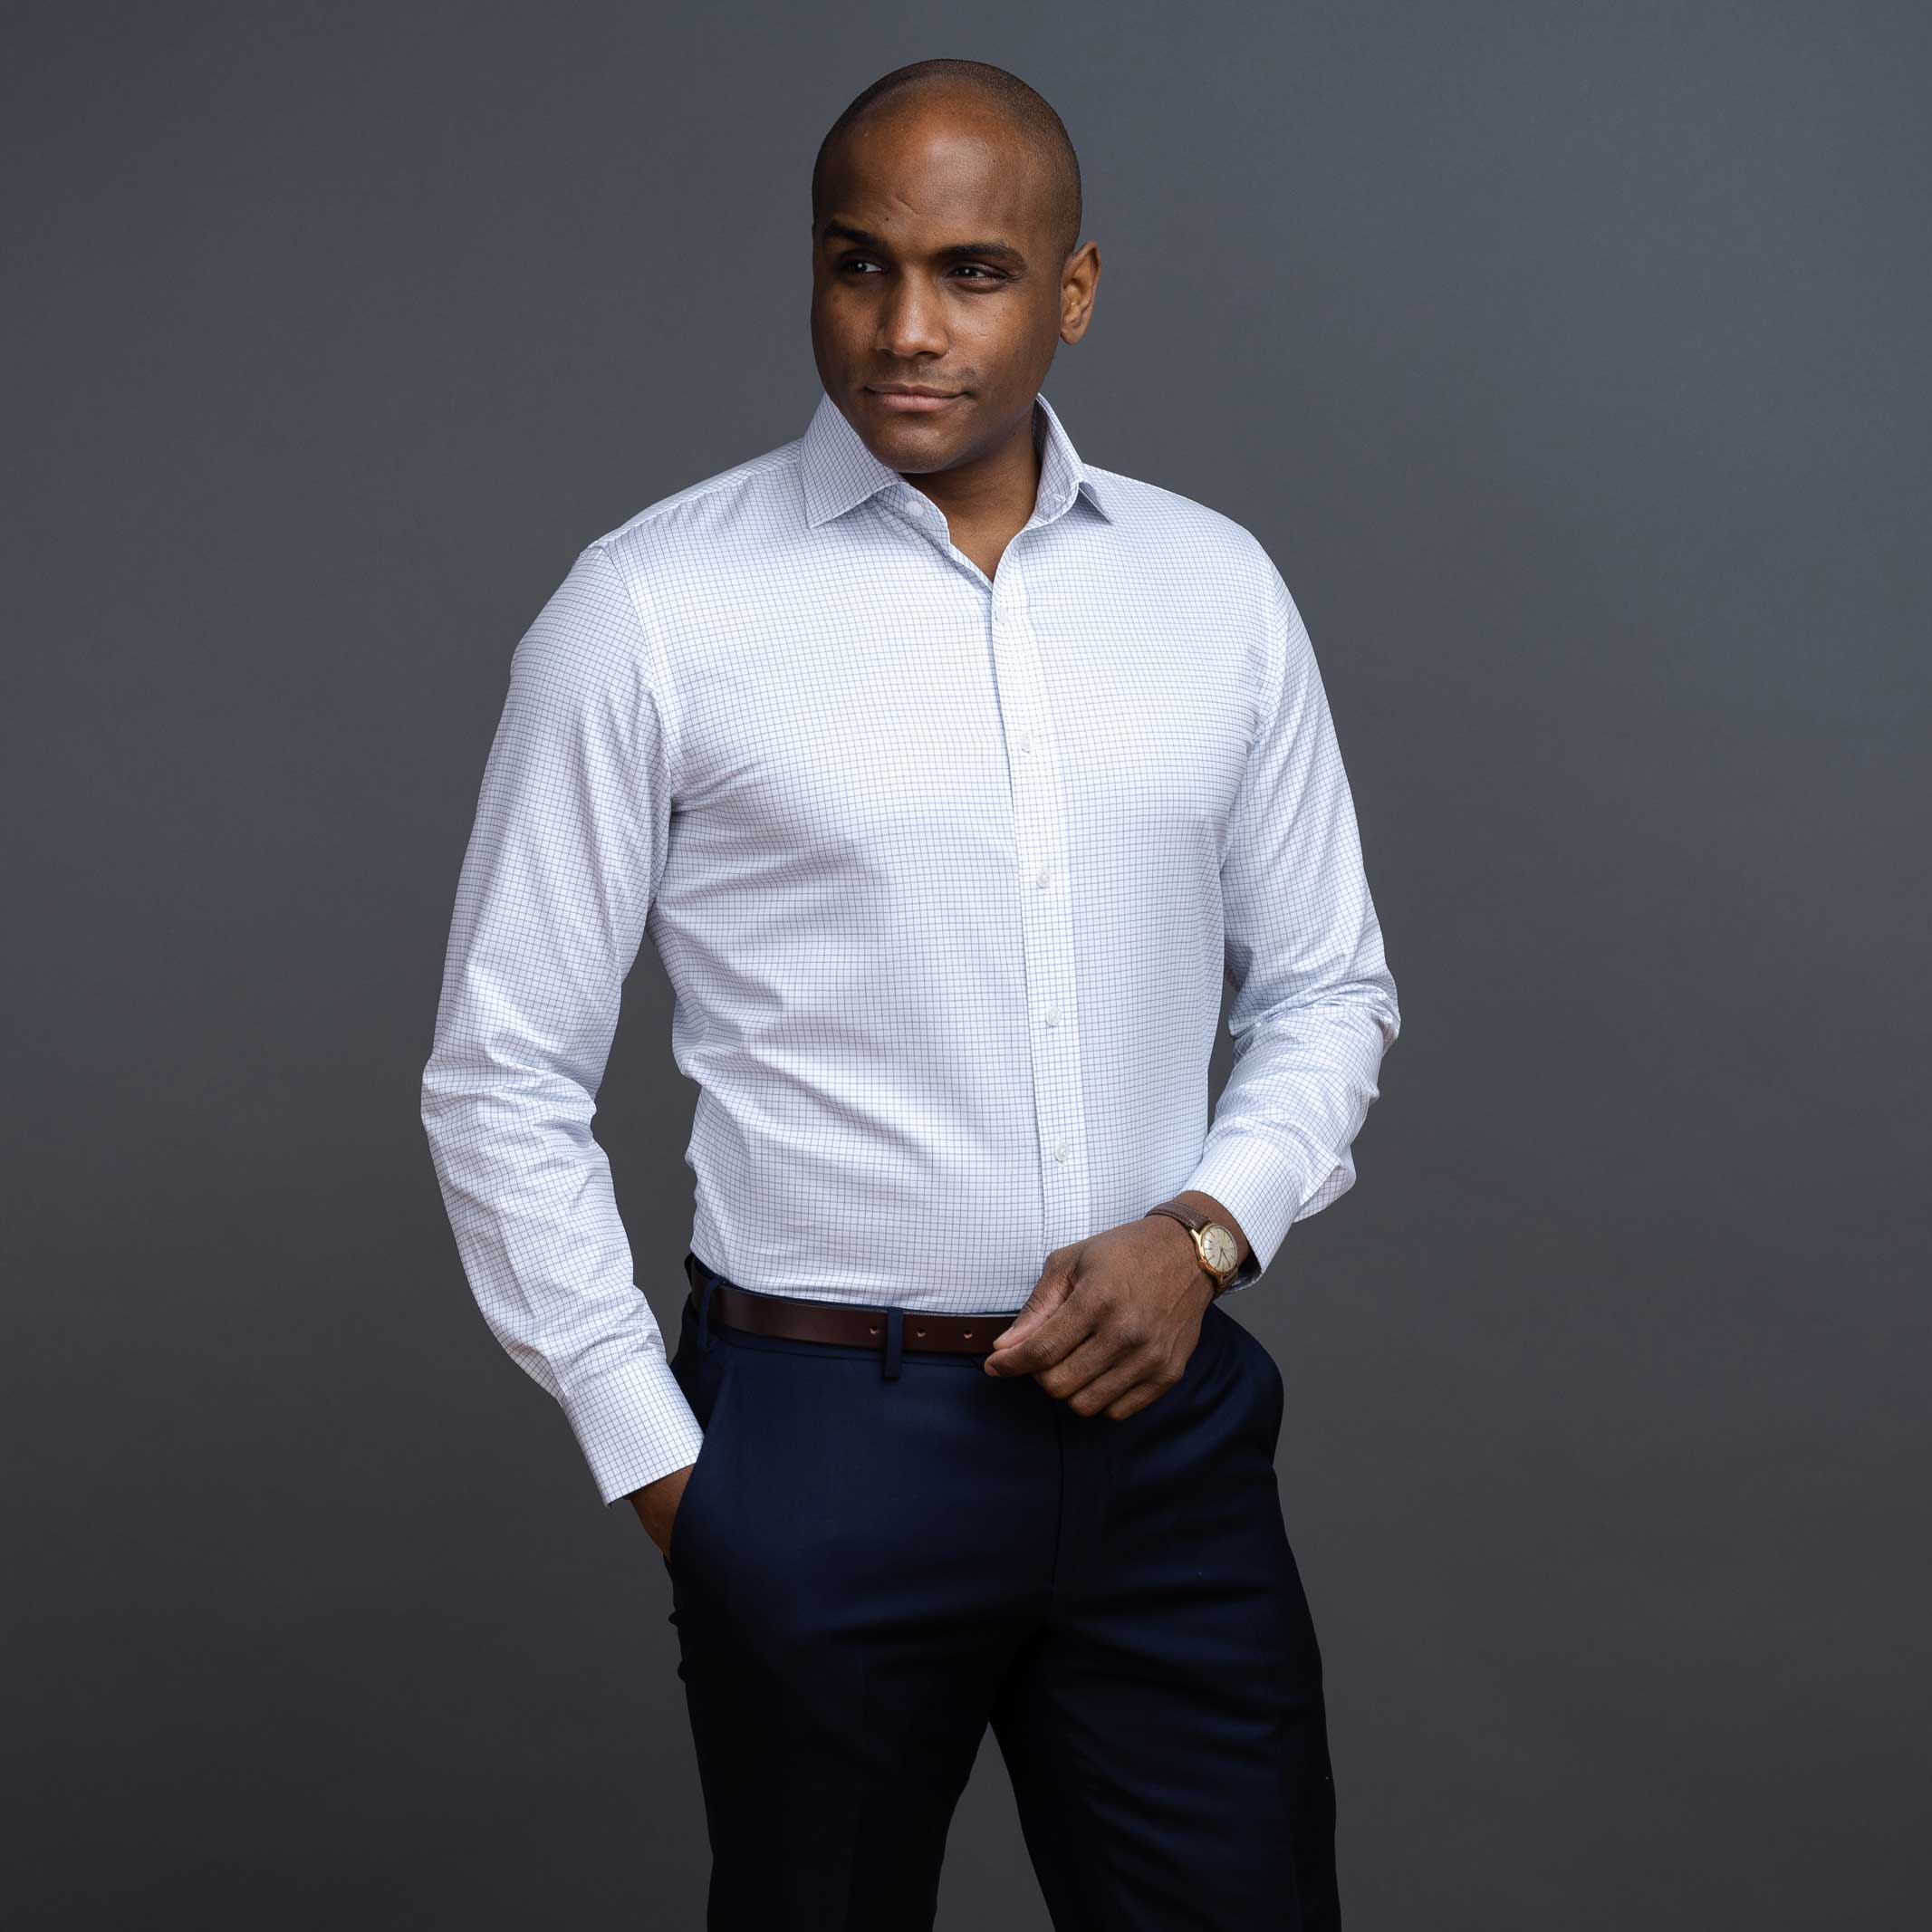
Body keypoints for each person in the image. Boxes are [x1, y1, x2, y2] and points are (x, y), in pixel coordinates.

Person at [420, 55, 1400, 1932]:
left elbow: (1329, 985)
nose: (903, 330)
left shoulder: (1214, 590)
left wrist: (1203, 1234)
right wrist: (669, 1470)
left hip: (1163, 1443)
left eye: (971, 272)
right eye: (857, 264)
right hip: (817, 1445)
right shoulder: (651, 609)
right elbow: (498, 1075)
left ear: (1073, 290)